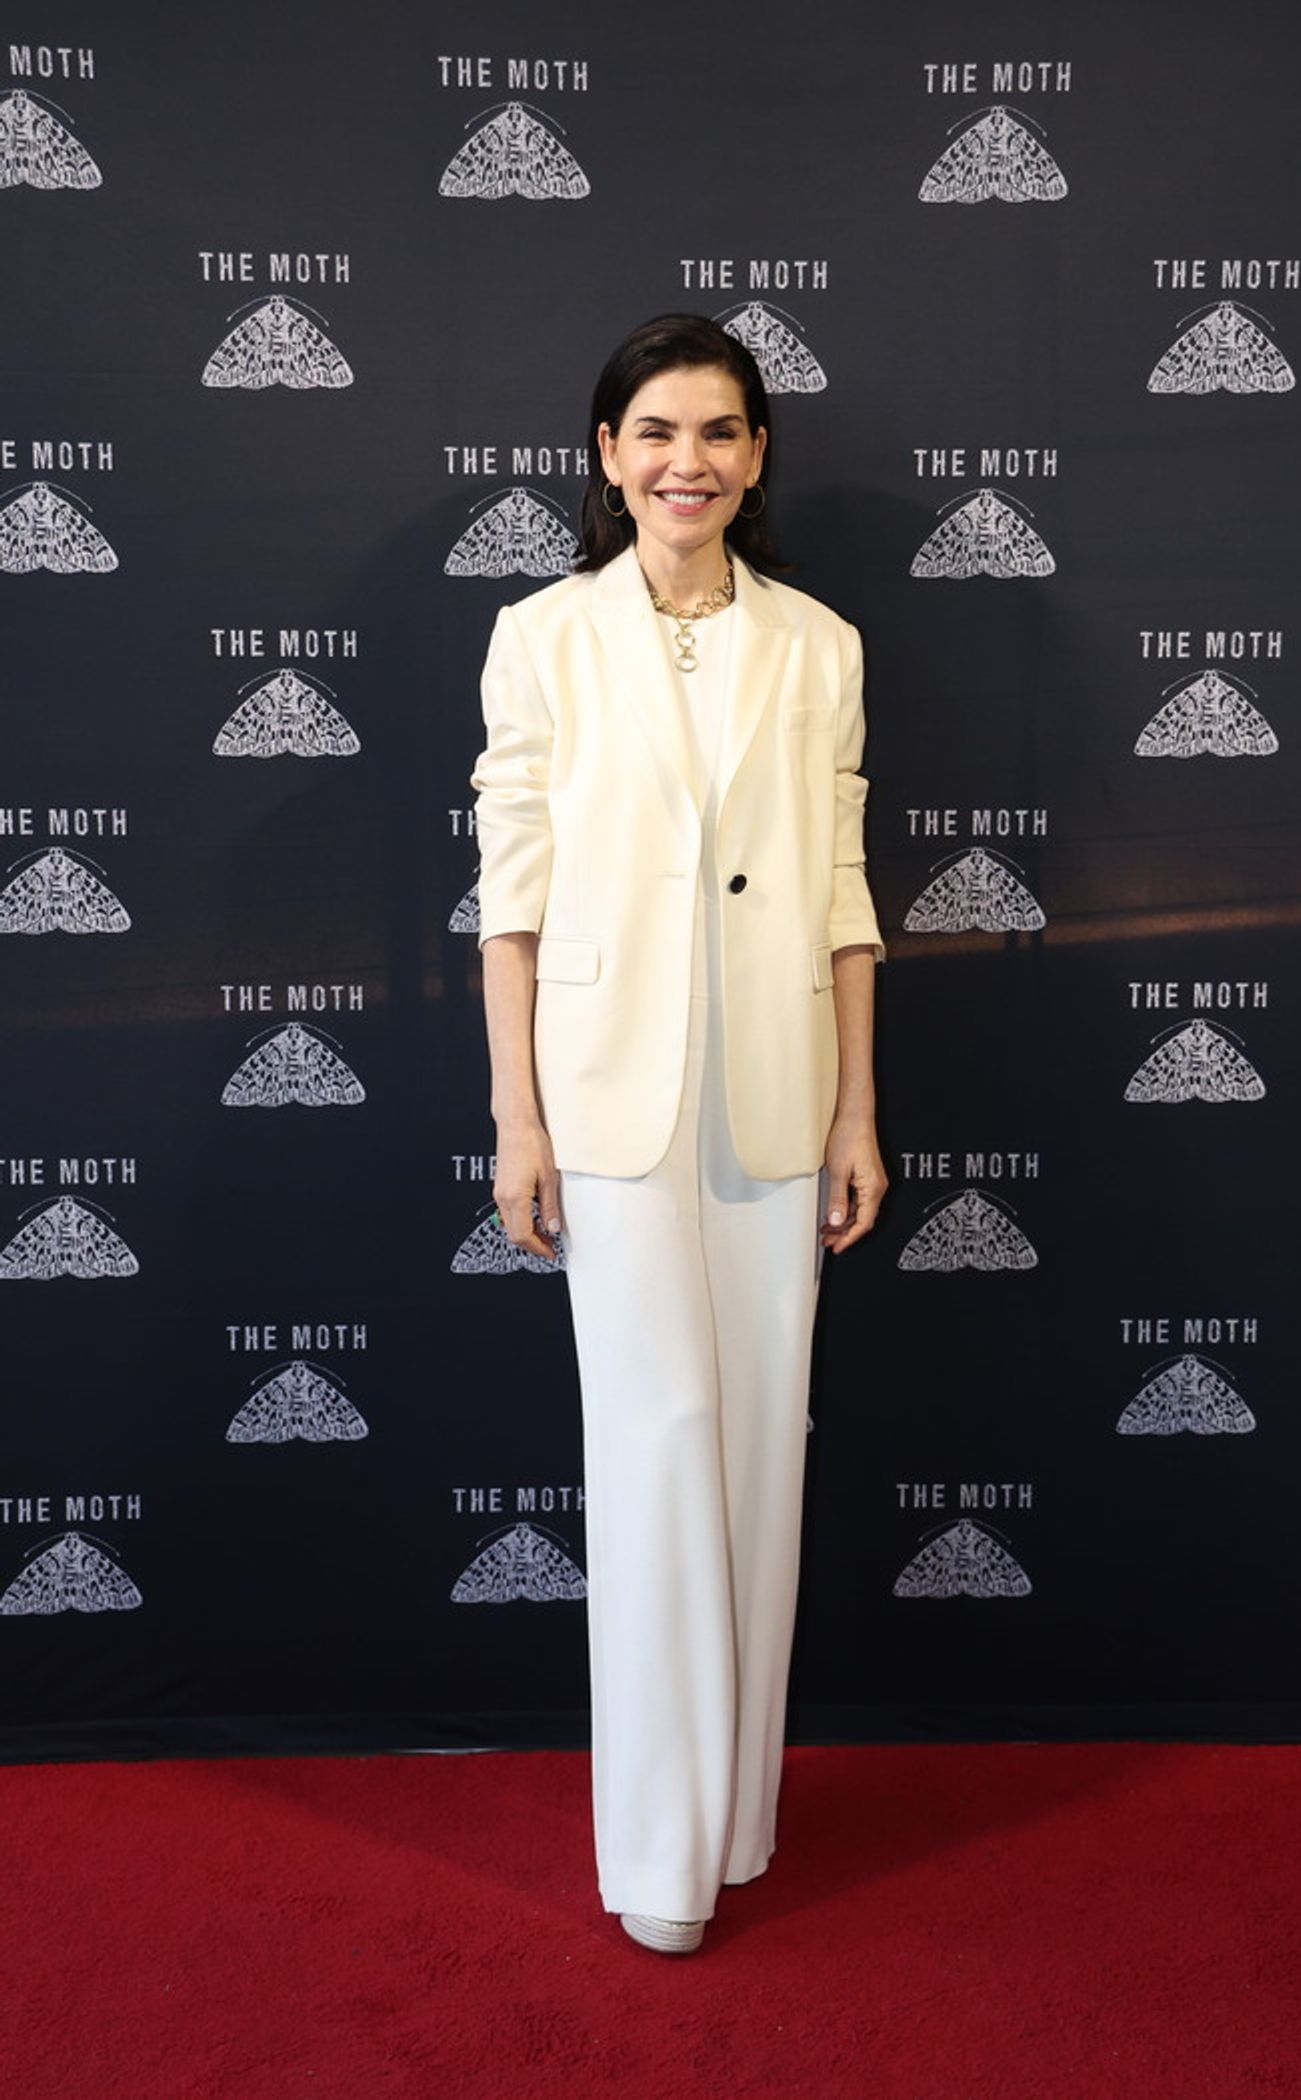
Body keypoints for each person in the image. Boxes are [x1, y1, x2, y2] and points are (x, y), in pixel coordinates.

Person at [470, 313, 886, 1955]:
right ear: (607, 453)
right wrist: (518, 1115)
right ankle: (657, 1854)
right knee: (657, 1443)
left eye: (718, 432)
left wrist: (856, 1106)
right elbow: (512, 899)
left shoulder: (821, 647)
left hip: (775, 1092)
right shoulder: (542, 638)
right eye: (655, 431)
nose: (686, 462)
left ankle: (735, 1819)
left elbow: (843, 895)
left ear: (757, 455)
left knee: (760, 1449)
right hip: (610, 1096)